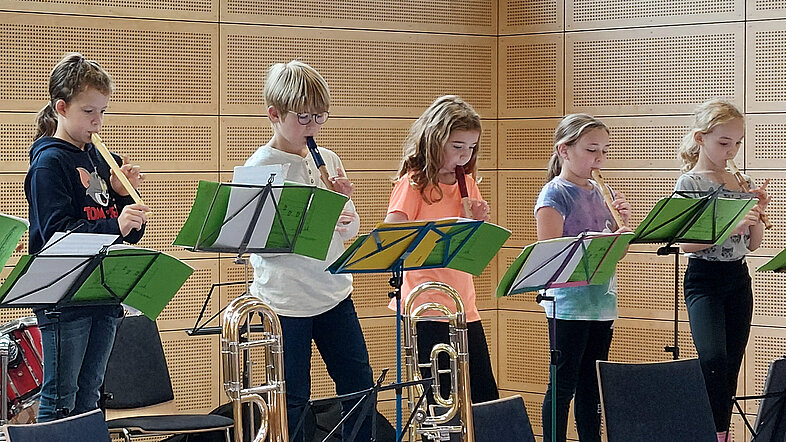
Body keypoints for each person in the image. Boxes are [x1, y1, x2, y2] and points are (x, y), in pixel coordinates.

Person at [245, 60, 374, 441]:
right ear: (274, 114)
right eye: (303, 118)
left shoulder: (328, 159)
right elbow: (257, 246)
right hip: (286, 301)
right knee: (293, 398)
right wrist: (304, 226)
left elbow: (350, 232)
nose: (314, 128)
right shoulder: (261, 168)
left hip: (334, 292)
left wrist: (344, 207)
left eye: (320, 117)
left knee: (358, 384)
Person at [25, 52, 149, 422]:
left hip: (103, 292)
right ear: (61, 108)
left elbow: (130, 236)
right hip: (64, 299)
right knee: (61, 398)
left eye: (103, 111)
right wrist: (116, 225)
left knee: (90, 397)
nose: (98, 121)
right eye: (89, 112)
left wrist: (124, 197)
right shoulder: (49, 163)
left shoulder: (98, 156)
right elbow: (58, 234)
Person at [384, 95, 499, 404]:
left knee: (483, 397)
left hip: (463, 305)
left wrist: (477, 226)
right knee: (441, 399)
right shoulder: (414, 184)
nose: (464, 156)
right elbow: (392, 238)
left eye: (471, 148)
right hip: (425, 308)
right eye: (457, 146)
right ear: (435, 141)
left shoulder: (468, 184)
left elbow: (471, 253)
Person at [676, 99, 769, 442]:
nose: (731, 150)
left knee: (730, 364)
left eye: (737, 143)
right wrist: (729, 225)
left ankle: (721, 433)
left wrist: (757, 212)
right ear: (701, 139)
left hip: (737, 277)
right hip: (705, 278)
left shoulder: (740, 180)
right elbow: (687, 244)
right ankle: (708, 431)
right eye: (724, 142)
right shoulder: (691, 182)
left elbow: (754, 244)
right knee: (712, 359)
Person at [534, 114, 631, 442]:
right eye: (592, 150)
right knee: (563, 386)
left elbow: (618, 255)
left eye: (604, 150)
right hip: (569, 304)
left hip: (601, 302)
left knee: (593, 387)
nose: (599, 158)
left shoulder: (604, 191)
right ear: (564, 150)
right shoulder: (555, 193)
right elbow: (550, 255)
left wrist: (621, 233)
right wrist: (596, 240)